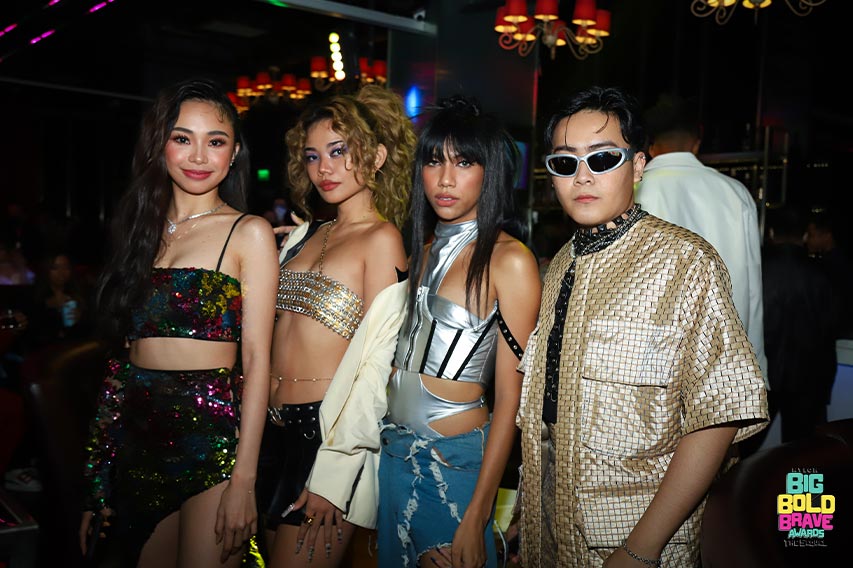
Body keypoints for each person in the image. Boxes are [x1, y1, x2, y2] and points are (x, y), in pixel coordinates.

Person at [516, 86, 768, 567]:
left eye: (602, 158)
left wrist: (641, 547)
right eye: (565, 163)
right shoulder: (561, 264)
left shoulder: (684, 261)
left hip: (639, 538)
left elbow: (718, 416)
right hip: (552, 537)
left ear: (636, 167)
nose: (582, 176)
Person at [78, 77, 279, 567]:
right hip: (138, 439)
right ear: (160, 145)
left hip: (213, 441)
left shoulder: (248, 232)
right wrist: (98, 478)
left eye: (216, 142)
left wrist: (244, 481)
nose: (199, 156)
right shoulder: (138, 233)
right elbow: (120, 365)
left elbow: (257, 362)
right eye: (183, 138)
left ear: (234, 154)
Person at [378, 95, 541, 568]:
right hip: (393, 454)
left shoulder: (510, 261)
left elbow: (512, 399)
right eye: (434, 161)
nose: (445, 179)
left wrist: (477, 514)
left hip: (454, 463)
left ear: (490, 172)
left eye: (464, 162)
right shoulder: (420, 250)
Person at [258, 84, 416, 568]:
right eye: (312, 156)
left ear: (376, 156)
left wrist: (336, 472)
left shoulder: (382, 239)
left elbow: (378, 367)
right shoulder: (306, 235)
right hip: (270, 432)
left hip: (325, 438)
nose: (323, 168)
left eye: (338, 151)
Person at [635, 94, 767, 386]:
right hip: (722, 366)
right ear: (698, 140)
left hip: (650, 366)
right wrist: (756, 368)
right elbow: (752, 289)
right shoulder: (736, 193)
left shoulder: (633, 192)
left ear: (650, 145)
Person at [763, 206, 838, 443]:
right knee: (800, 452)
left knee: (742, 449)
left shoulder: (756, 269)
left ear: (771, 233)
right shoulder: (823, 273)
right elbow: (832, 326)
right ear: (805, 235)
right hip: (809, 378)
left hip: (763, 375)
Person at [806, 209, 853, 339]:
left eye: (811, 235)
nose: (807, 240)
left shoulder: (831, 264)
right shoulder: (837, 260)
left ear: (827, 236)